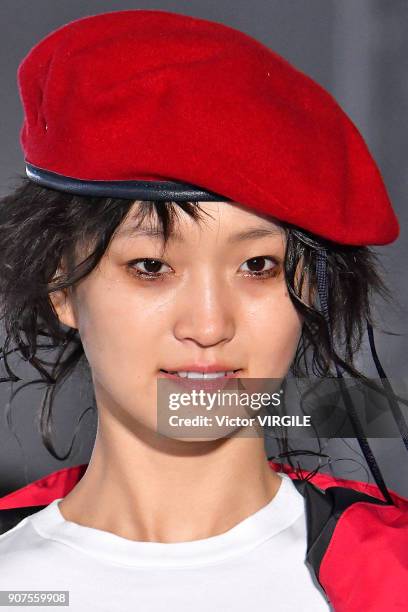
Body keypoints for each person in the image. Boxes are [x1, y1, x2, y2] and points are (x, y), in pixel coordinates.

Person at [0, 9, 407, 612]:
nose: (210, 326)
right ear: (61, 286)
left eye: (258, 267)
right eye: (150, 267)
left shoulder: (392, 575)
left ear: (313, 292)